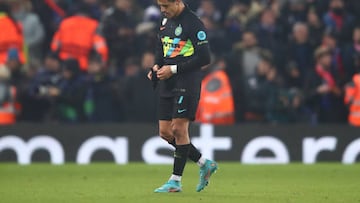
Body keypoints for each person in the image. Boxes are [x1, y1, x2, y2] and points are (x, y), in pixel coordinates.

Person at [147, 0, 218, 193]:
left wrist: (174, 69)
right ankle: (204, 163)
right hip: (168, 81)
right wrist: (156, 66)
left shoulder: (193, 22)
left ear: (178, 2)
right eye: (160, 6)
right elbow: (160, 47)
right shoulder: (165, 20)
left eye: (166, 6)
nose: (163, 10)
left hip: (186, 81)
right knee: (165, 132)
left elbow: (205, 58)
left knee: (179, 128)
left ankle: (175, 181)